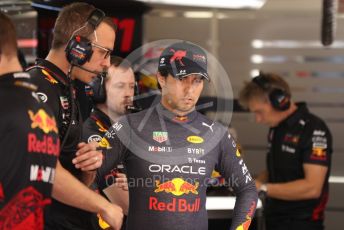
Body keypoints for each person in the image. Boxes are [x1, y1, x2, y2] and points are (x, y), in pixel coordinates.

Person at [75, 41, 258, 230]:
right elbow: (85, 181)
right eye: (182, 79)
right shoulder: (129, 127)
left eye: (197, 80)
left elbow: (248, 190)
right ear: (161, 78)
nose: (190, 89)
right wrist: (101, 208)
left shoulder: (217, 134)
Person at [0, 11, 122, 230]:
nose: (107, 63)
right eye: (104, 53)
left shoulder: (68, 89)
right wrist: (103, 206)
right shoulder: (37, 89)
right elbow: (42, 167)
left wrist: (87, 167)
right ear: (78, 47)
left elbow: (63, 173)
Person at [238, 72, 332, 230]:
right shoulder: (277, 128)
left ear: (280, 101)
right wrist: (253, 181)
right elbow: (279, 169)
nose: (258, 119)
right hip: (274, 220)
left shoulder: (314, 129)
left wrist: (263, 188)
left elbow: (312, 188)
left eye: (259, 112)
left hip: (302, 224)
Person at [82, 56, 135, 229]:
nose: (128, 93)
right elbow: (128, 205)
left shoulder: (130, 131)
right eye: (120, 86)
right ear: (99, 90)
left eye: (132, 87)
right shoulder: (93, 136)